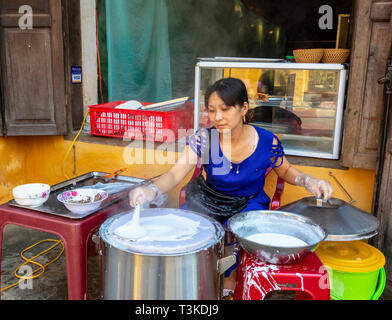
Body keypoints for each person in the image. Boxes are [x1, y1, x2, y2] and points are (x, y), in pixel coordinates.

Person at [128, 77, 333, 294]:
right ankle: (196, 283)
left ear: (243, 108)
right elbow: (174, 174)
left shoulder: (266, 141)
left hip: (248, 203)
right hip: (207, 199)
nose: (217, 117)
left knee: (248, 235)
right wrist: (151, 189)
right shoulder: (204, 139)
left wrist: (309, 180)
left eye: (225, 109)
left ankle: (230, 285)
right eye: (211, 110)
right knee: (190, 234)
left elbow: (287, 171)